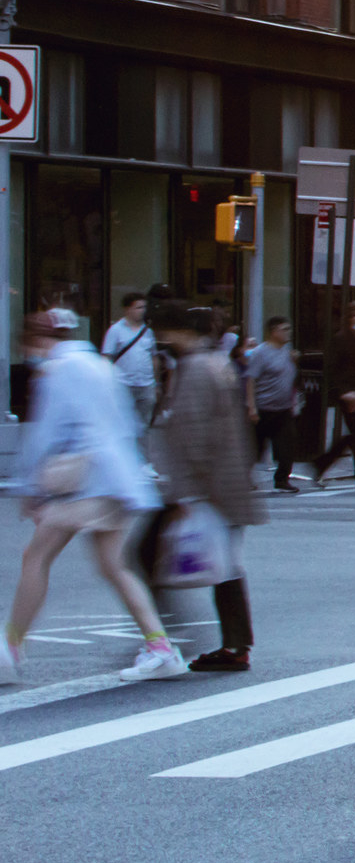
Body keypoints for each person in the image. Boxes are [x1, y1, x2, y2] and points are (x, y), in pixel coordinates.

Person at [7, 310, 184, 682]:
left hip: (83, 481)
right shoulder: (100, 365)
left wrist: (31, 487)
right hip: (116, 479)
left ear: (37, 341)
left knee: (36, 556)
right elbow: (128, 422)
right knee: (114, 565)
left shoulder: (57, 371)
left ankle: (10, 647)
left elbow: (47, 433)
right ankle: (160, 647)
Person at [146, 307, 265, 670]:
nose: (160, 340)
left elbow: (194, 434)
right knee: (226, 565)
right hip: (223, 483)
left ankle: (159, 635)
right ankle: (234, 645)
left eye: (165, 331)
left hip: (204, 487)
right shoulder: (216, 363)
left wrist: (187, 494)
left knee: (141, 558)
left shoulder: (196, 368)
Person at [318, 301, 355, 490]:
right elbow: (334, 368)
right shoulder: (341, 339)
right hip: (348, 393)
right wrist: (345, 392)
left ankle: (323, 462)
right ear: (352, 316)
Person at [245, 318, 301, 493]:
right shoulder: (260, 353)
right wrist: (251, 407)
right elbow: (251, 379)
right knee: (256, 447)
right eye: (284, 329)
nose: (288, 333)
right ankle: (244, 478)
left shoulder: (287, 352)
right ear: (274, 331)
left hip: (283, 408)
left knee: (286, 445)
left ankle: (282, 479)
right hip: (264, 407)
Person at [100, 292, 160, 425]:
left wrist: (156, 383)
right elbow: (106, 357)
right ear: (127, 309)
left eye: (144, 307)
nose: (142, 311)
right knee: (123, 424)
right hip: (124, 384)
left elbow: (153, 357)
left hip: (146, 384)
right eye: (138, 308)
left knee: (143, 425)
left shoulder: (148, 332)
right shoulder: (115, 330)